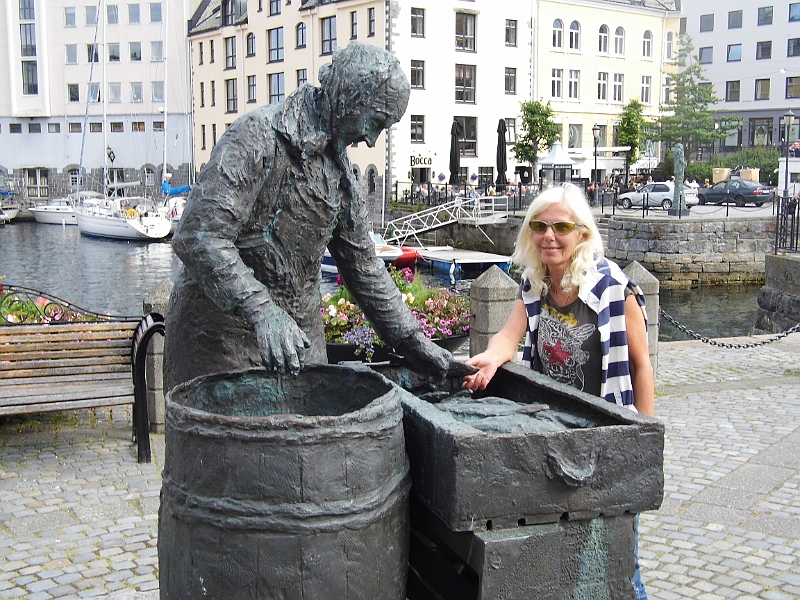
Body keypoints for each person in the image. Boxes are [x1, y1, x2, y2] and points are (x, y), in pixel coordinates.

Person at [164, 42, 470, 391]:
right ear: (348, 97)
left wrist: (416, 344)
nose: (371, 139)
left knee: (311, 440)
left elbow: (365, 269)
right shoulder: (257, 136)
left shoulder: (342, 176)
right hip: (220, 337)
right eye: (375, 120)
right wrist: (261, 310)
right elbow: (199, 236)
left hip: (300, 338)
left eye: (384, 127)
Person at [462, 183, 654, 599]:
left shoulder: (613, 291)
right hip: (557, 438)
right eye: (540, 226)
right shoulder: (535, 285)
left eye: (561, 226)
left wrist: (643, 440)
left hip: (607, 437)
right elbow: (507, 338)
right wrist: (489, 360)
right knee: (564, 554)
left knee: (620, 562)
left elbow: (641, 366)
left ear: (582, 233)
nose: (549, 235)